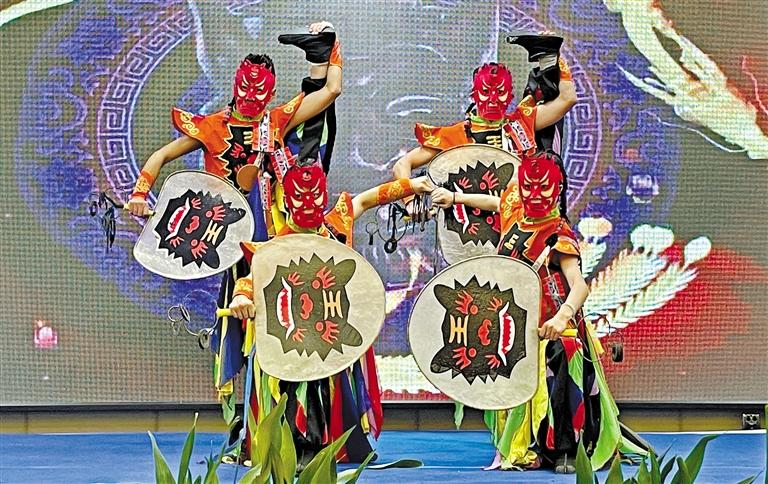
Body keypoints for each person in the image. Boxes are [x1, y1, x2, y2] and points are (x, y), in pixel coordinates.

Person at [126, 20, 342, 452]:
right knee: (243, 337)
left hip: (277, 238)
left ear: (270, 91)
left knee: (288, 327)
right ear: (235, 85)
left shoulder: (275, 121)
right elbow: (163, 155)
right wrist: (140, 192)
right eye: (247, 88)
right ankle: (251, 428)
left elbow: (331, 92)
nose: (252, 97)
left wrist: (332, 50)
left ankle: (297, 426)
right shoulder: (212, 127)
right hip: (234, 247)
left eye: (261, 91)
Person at [431, 151, 641, 473]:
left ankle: (566, 450)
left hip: (552, 326)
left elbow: (579, 286)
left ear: (558, 188)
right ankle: (526, 443)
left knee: (565, 354)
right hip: (513, 324)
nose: (534, 194)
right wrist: (455, 197)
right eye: (528, 186)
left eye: (543, 187)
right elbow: (495, 202)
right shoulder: (514, 210)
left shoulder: (559, 234)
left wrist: (561, 317)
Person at [228, 165, 433, 467]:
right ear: (286, 200)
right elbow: (251, 279)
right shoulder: (277, 245)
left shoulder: (335, 224)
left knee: (329, 386)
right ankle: (293, 448)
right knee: (296, 389)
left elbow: (369, 199)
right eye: (300, 196)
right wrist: (241, 297)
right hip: (295, 340)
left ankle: (331, 445)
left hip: (329, 332)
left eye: (314, 195)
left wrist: (413, 186)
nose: (308, 202)